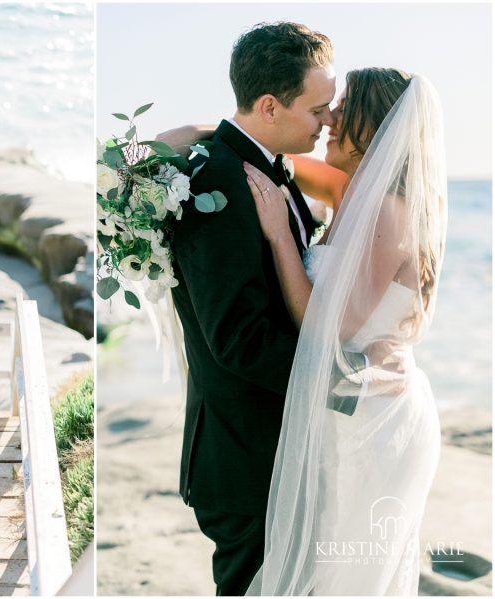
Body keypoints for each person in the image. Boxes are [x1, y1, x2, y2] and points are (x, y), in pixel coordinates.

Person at [244, 69, 446, 595]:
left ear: (376, 126)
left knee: (342, 572)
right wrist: (195, 136)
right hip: (350, 405)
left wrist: (279, 238)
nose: (330, 118)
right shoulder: (352, 189)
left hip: (375, 419)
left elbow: (326, 327)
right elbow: (274, 158)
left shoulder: (387, 211)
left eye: (344, 107)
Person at [161, 22, 335, 595]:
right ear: (269, 105)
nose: (327, 121)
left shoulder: (263, 165)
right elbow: (237, 337)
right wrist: (334, 383)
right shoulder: (216, 177)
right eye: (318, 108)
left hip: (275, 445)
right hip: (245, 458)